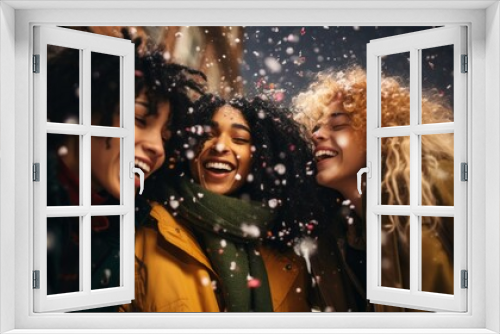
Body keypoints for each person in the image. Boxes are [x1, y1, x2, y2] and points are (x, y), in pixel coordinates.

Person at [120, 94, 321, 312]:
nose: (220, 146)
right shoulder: (141, 229)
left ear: (260, 158)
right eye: (207, 135)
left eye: (240, 139)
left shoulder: (287, 254)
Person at [46, 30, 206, 303]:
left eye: (165, 137)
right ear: (86, 106)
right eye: (140, 119)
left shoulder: (127, 226)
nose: (157, 147)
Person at [293, 66, 454, 312]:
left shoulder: (436, 184)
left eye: (338, 125)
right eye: (315, 128)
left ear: (381, 134)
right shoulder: (334, 235)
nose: (317, 135)